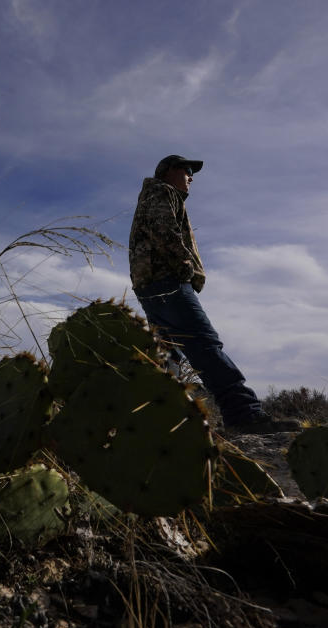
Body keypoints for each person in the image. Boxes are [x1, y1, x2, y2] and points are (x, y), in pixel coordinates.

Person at [128, 155, 298, 434]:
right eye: (188, 170)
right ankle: (243, 414)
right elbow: (164, 230)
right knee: (204, 345)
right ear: (169, 171)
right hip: (167, 282)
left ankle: (160, 423)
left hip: (150, 286)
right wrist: (185, 268)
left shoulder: (155, 194)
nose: (191, 176)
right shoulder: (161, 191)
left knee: (167, 356)